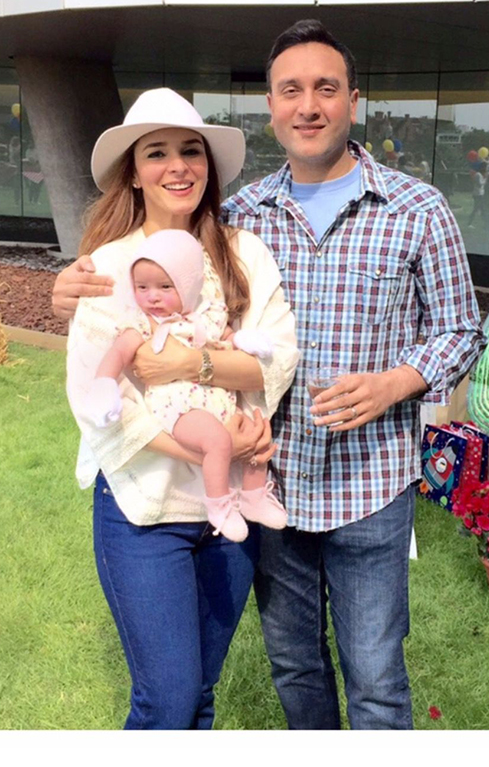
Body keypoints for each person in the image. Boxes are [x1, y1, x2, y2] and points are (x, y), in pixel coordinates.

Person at [53, 21, 485, 731]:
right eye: (291, 90)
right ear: (272, 106)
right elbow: (133, 288)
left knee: (376, 678)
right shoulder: (243, 214)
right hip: (269, 483)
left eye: (325, 88)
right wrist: (66, 291)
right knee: (290, 666)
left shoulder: (412, 210)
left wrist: (397, 381)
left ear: (353, 100)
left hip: (366, 480)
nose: (308, 105)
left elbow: (460, 329)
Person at [62, 87, 299, 730]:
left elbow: (276, 358)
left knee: (199, 693)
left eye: (191, 150)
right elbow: (100, 401)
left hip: (231, 516)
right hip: (145, 511)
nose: (178, 166)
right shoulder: (109, 266)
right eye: (156, 153)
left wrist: (194, 368)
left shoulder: (243, 253)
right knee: (165, 699)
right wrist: (212, 446)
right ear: (133, 174)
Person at [84, 226, 288, 542]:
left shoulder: (205, 317)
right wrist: (104, 384)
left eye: (165, 287)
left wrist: (243, 339)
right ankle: (219, 505)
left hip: (217, 401)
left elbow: (226, 336)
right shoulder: (143, 323)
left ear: (189, 286)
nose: (152, 296)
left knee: (256, 429)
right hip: (178, 407)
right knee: (217, 441)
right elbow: (118, 353)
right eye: (142, 287)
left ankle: (254, 495)